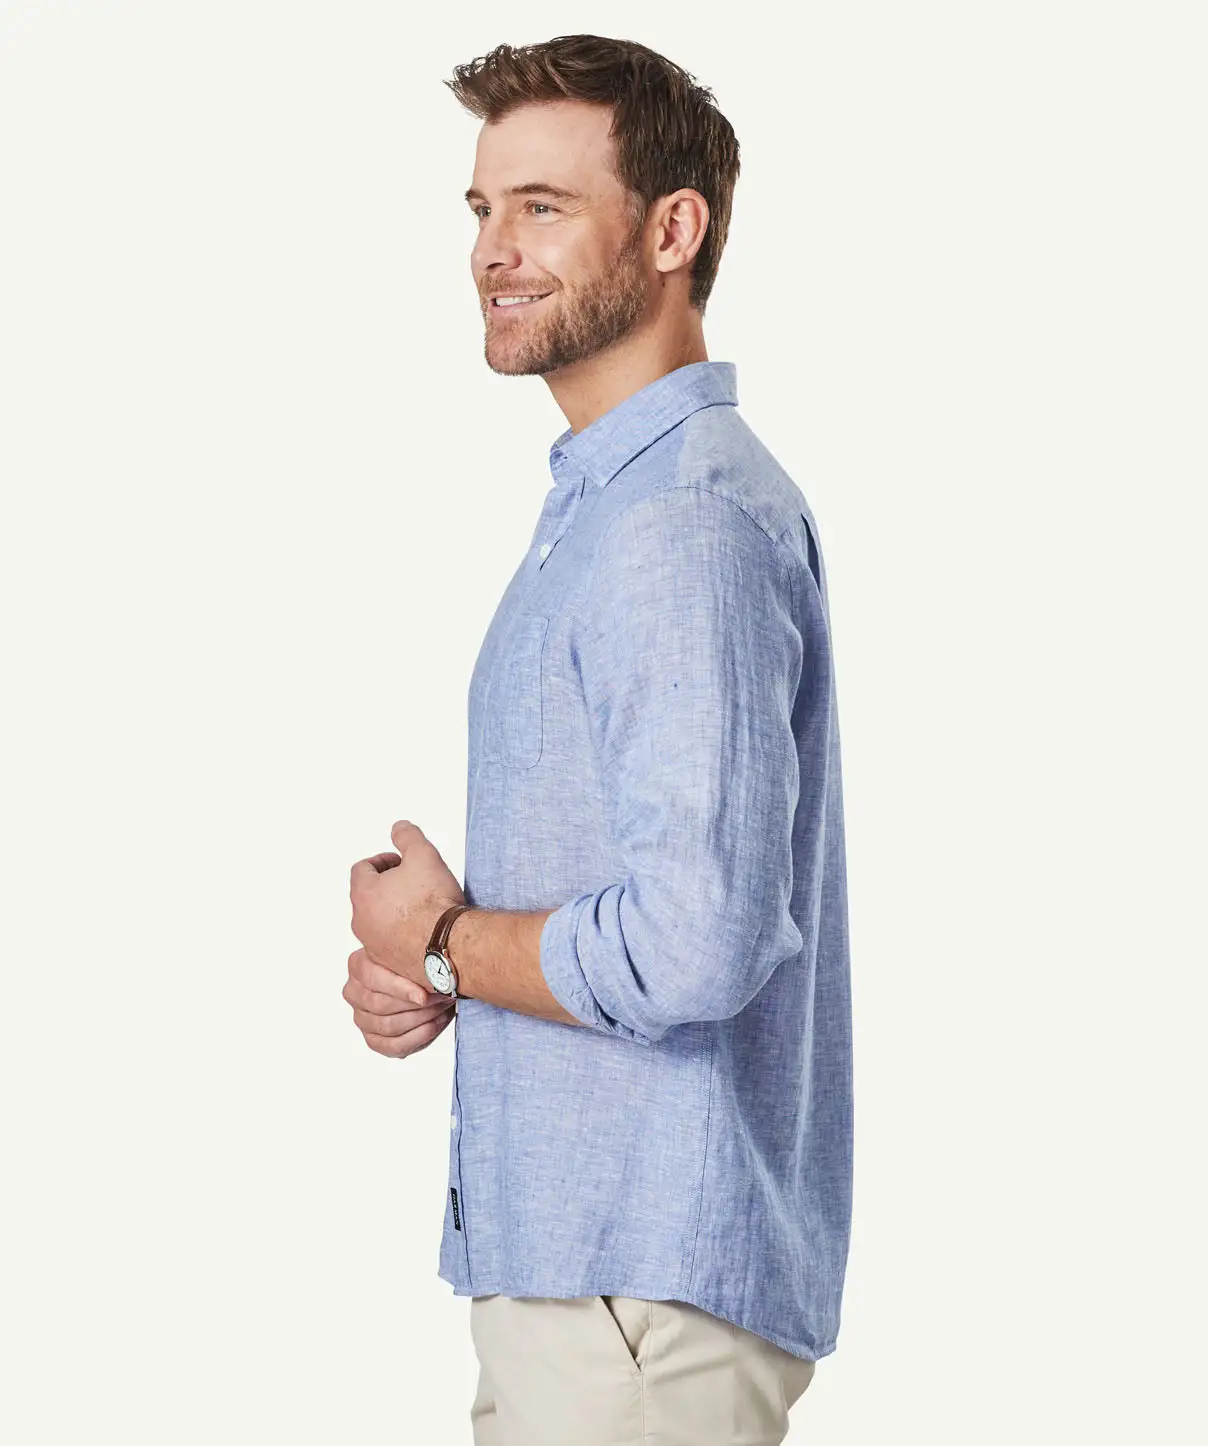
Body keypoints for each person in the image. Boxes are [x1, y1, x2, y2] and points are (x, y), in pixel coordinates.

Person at [343, 33, 853, 1446]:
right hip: (594, 1294)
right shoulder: (612, 508)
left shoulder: (681, 521)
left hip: (634, 1304)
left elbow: (696, 944)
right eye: (481, 208)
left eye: (543, 206)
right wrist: (445, 968)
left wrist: (448, 941)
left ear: (673, 231)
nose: (492, 251)